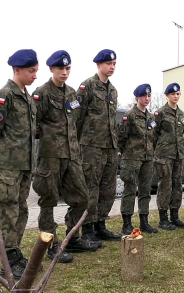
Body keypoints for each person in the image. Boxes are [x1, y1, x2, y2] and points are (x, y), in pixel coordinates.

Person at [31, 50, 100, 265]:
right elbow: (33, 124)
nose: (64, 72)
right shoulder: (41, 93)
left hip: (72, 155)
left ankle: (72, 239)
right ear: (51, 69)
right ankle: (49, 244)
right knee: (48, 201)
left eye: (68, 68)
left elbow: (76, 122)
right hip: (50, 156)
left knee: (82, 196)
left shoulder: (72, 94)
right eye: (60, 68)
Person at [0, 49, 39, 279]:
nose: (35, 75)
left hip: (24, 167)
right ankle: (8, 263)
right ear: (17, 70)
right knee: (8, 212)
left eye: (36, 70)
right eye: (31, 71)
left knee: (21, 210)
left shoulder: (27, 98)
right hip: (7, 167)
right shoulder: (5, 96)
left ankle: (14, 255)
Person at [74, 49, 122, 243]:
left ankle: (100, 224)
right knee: (90, 188)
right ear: (99, 65)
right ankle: (87, 228)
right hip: (91, 146)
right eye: (109, 64)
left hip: (110, 146)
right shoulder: (87, 86)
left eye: (114, 64)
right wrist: (78, 144)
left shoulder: (113, 90)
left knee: (108, 188)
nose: (112, 67)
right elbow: (78, 117)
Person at [118, 84, 158, 235]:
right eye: (143, 96)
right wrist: (128, 153)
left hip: (147, 159)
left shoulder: (151, 117)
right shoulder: (130, 115)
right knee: (129, 190)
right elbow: (121, 138)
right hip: (132, 159)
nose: (147, 99)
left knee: (145, 190)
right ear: (137, 97)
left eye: (149, 96)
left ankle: (144, 222)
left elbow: (153, 137)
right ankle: (126, 223)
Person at [153, 83, 184, 230]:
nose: (176, 96)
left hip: (178, 155)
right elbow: (154, 134)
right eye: (173, 94)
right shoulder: (160, 113)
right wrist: (160, 149)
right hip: (164, 156)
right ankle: (163, 219)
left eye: (178, 94)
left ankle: (175, 216)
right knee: (165, 186)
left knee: (177, 185)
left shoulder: (182, 115)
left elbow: (183, 134)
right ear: (167, 95)